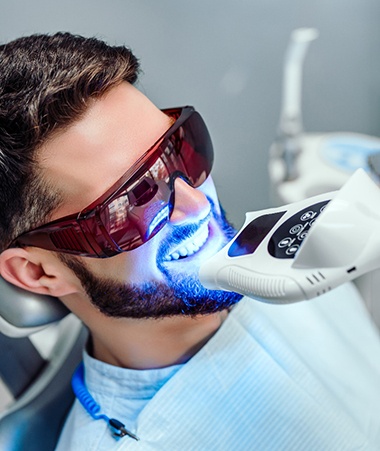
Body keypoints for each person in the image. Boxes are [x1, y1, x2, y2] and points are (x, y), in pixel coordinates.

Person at [0, 32, 379, 451]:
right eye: (133, 199)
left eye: (179, 151)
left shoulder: (290, 255)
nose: (197, 205)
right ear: (38, 272)